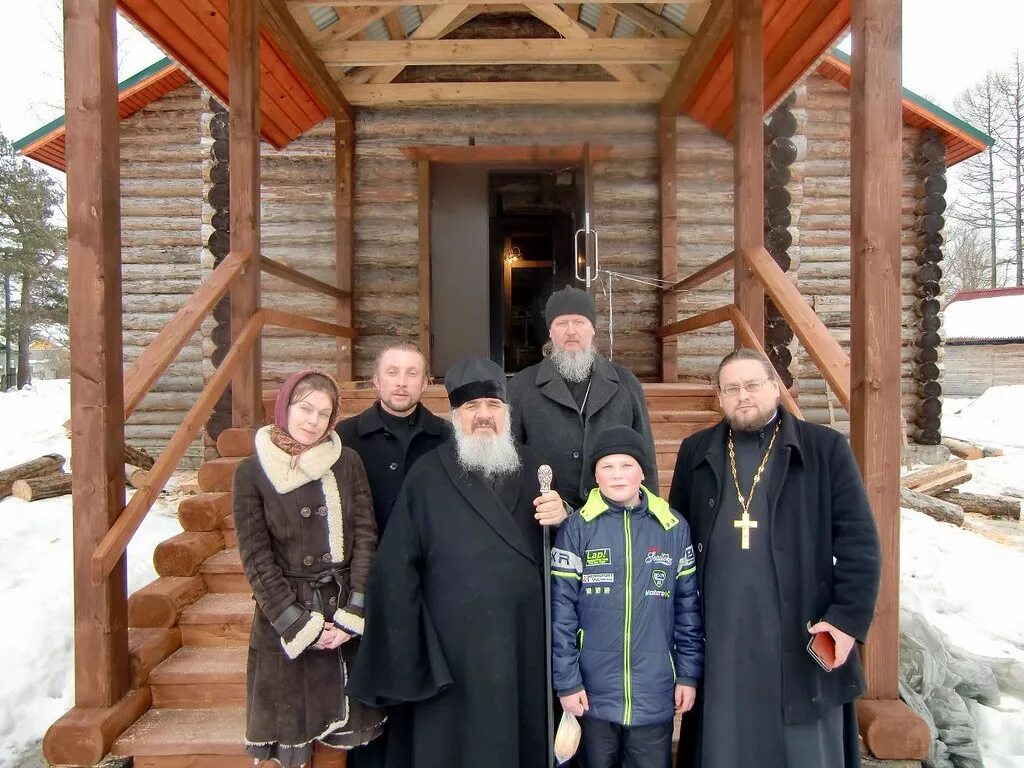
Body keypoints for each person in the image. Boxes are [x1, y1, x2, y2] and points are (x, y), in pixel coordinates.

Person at [348, 356, 569, 768]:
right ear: (455, 416)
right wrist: (411, 642)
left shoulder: (537, 467)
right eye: (471, 408)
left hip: (522, 638)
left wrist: (564, 516)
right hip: (450, 644)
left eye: (493, 406)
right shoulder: (428, 474)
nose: (483, 416)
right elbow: (395, 565)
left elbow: (562, 548)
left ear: (506, 412)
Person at [669, 349, 882, 768]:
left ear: (775, 388)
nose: (742, 395)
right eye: (731, 388)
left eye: (752, 385)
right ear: (719, 397)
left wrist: (846, 620)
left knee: (803, 747)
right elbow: (676, 541)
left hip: (799, 625)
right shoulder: (695, 452)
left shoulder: (824, 449)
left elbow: (860, 543)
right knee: (723, 741)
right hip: (722, 631)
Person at [232, 369, 384, 767]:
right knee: (293, 741)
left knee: (342, 741)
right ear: (284, 408)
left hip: (343, 614)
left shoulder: (347, 461)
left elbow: (367, 536)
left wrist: (354, 611)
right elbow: (257, 559)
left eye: (323, 412)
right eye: (305, 409)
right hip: (288, 619)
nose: (312, 421)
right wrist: (299, 624)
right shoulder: (252, 470)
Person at [551, 425, 703, 768]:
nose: (617, 475)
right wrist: (567, 682)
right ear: (595, 475)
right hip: (591, 695)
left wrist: (688, 675)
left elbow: (688, 608)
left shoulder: (672, 527)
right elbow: (561, 612)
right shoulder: (577, 527)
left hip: (655, 691)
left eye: (626, 465)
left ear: (642, 471)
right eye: (607, 466)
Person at [508, 285, 657, 508]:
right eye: (561, 323)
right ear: (550, 331)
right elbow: (512, 460)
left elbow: (646, 457)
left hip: (613, 518)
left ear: (593, 329)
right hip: (544, 519)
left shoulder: (625, 384)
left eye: (579, 322)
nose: (571, 331)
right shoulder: (522, 386)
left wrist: (650, 516)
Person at [336, 343, 449, 533]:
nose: (401, 382)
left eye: (412, 373)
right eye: (392, 372)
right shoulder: (345, 435)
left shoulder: (447, 437)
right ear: (377, 381)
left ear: (424, 384)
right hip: (367, 556)